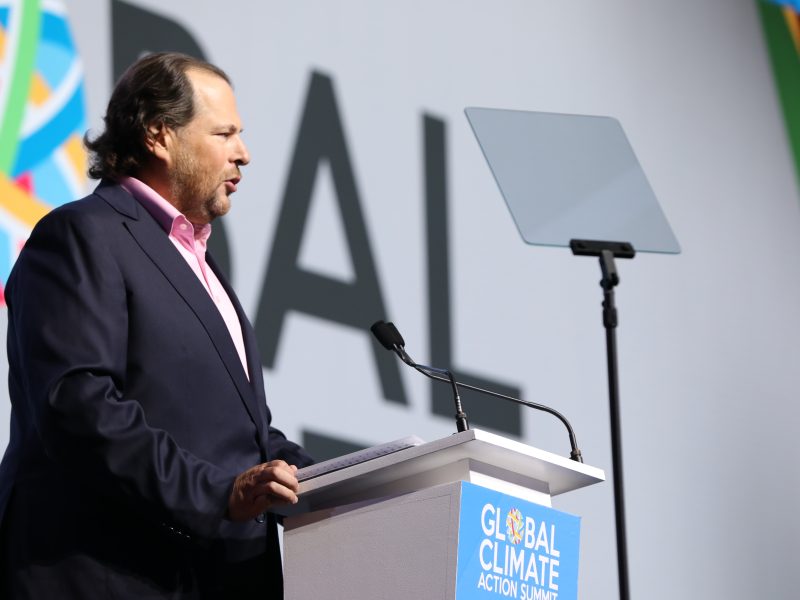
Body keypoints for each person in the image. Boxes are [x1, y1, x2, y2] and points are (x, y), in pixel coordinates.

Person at [0, 52, 313, 598]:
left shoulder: (202, 268)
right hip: (109, 576)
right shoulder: (82, 235)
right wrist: (219, 494)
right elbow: (79, 406)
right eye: (225, 133)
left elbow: (244, 441)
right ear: (159, 135)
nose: (244, 154)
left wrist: (352, 484)